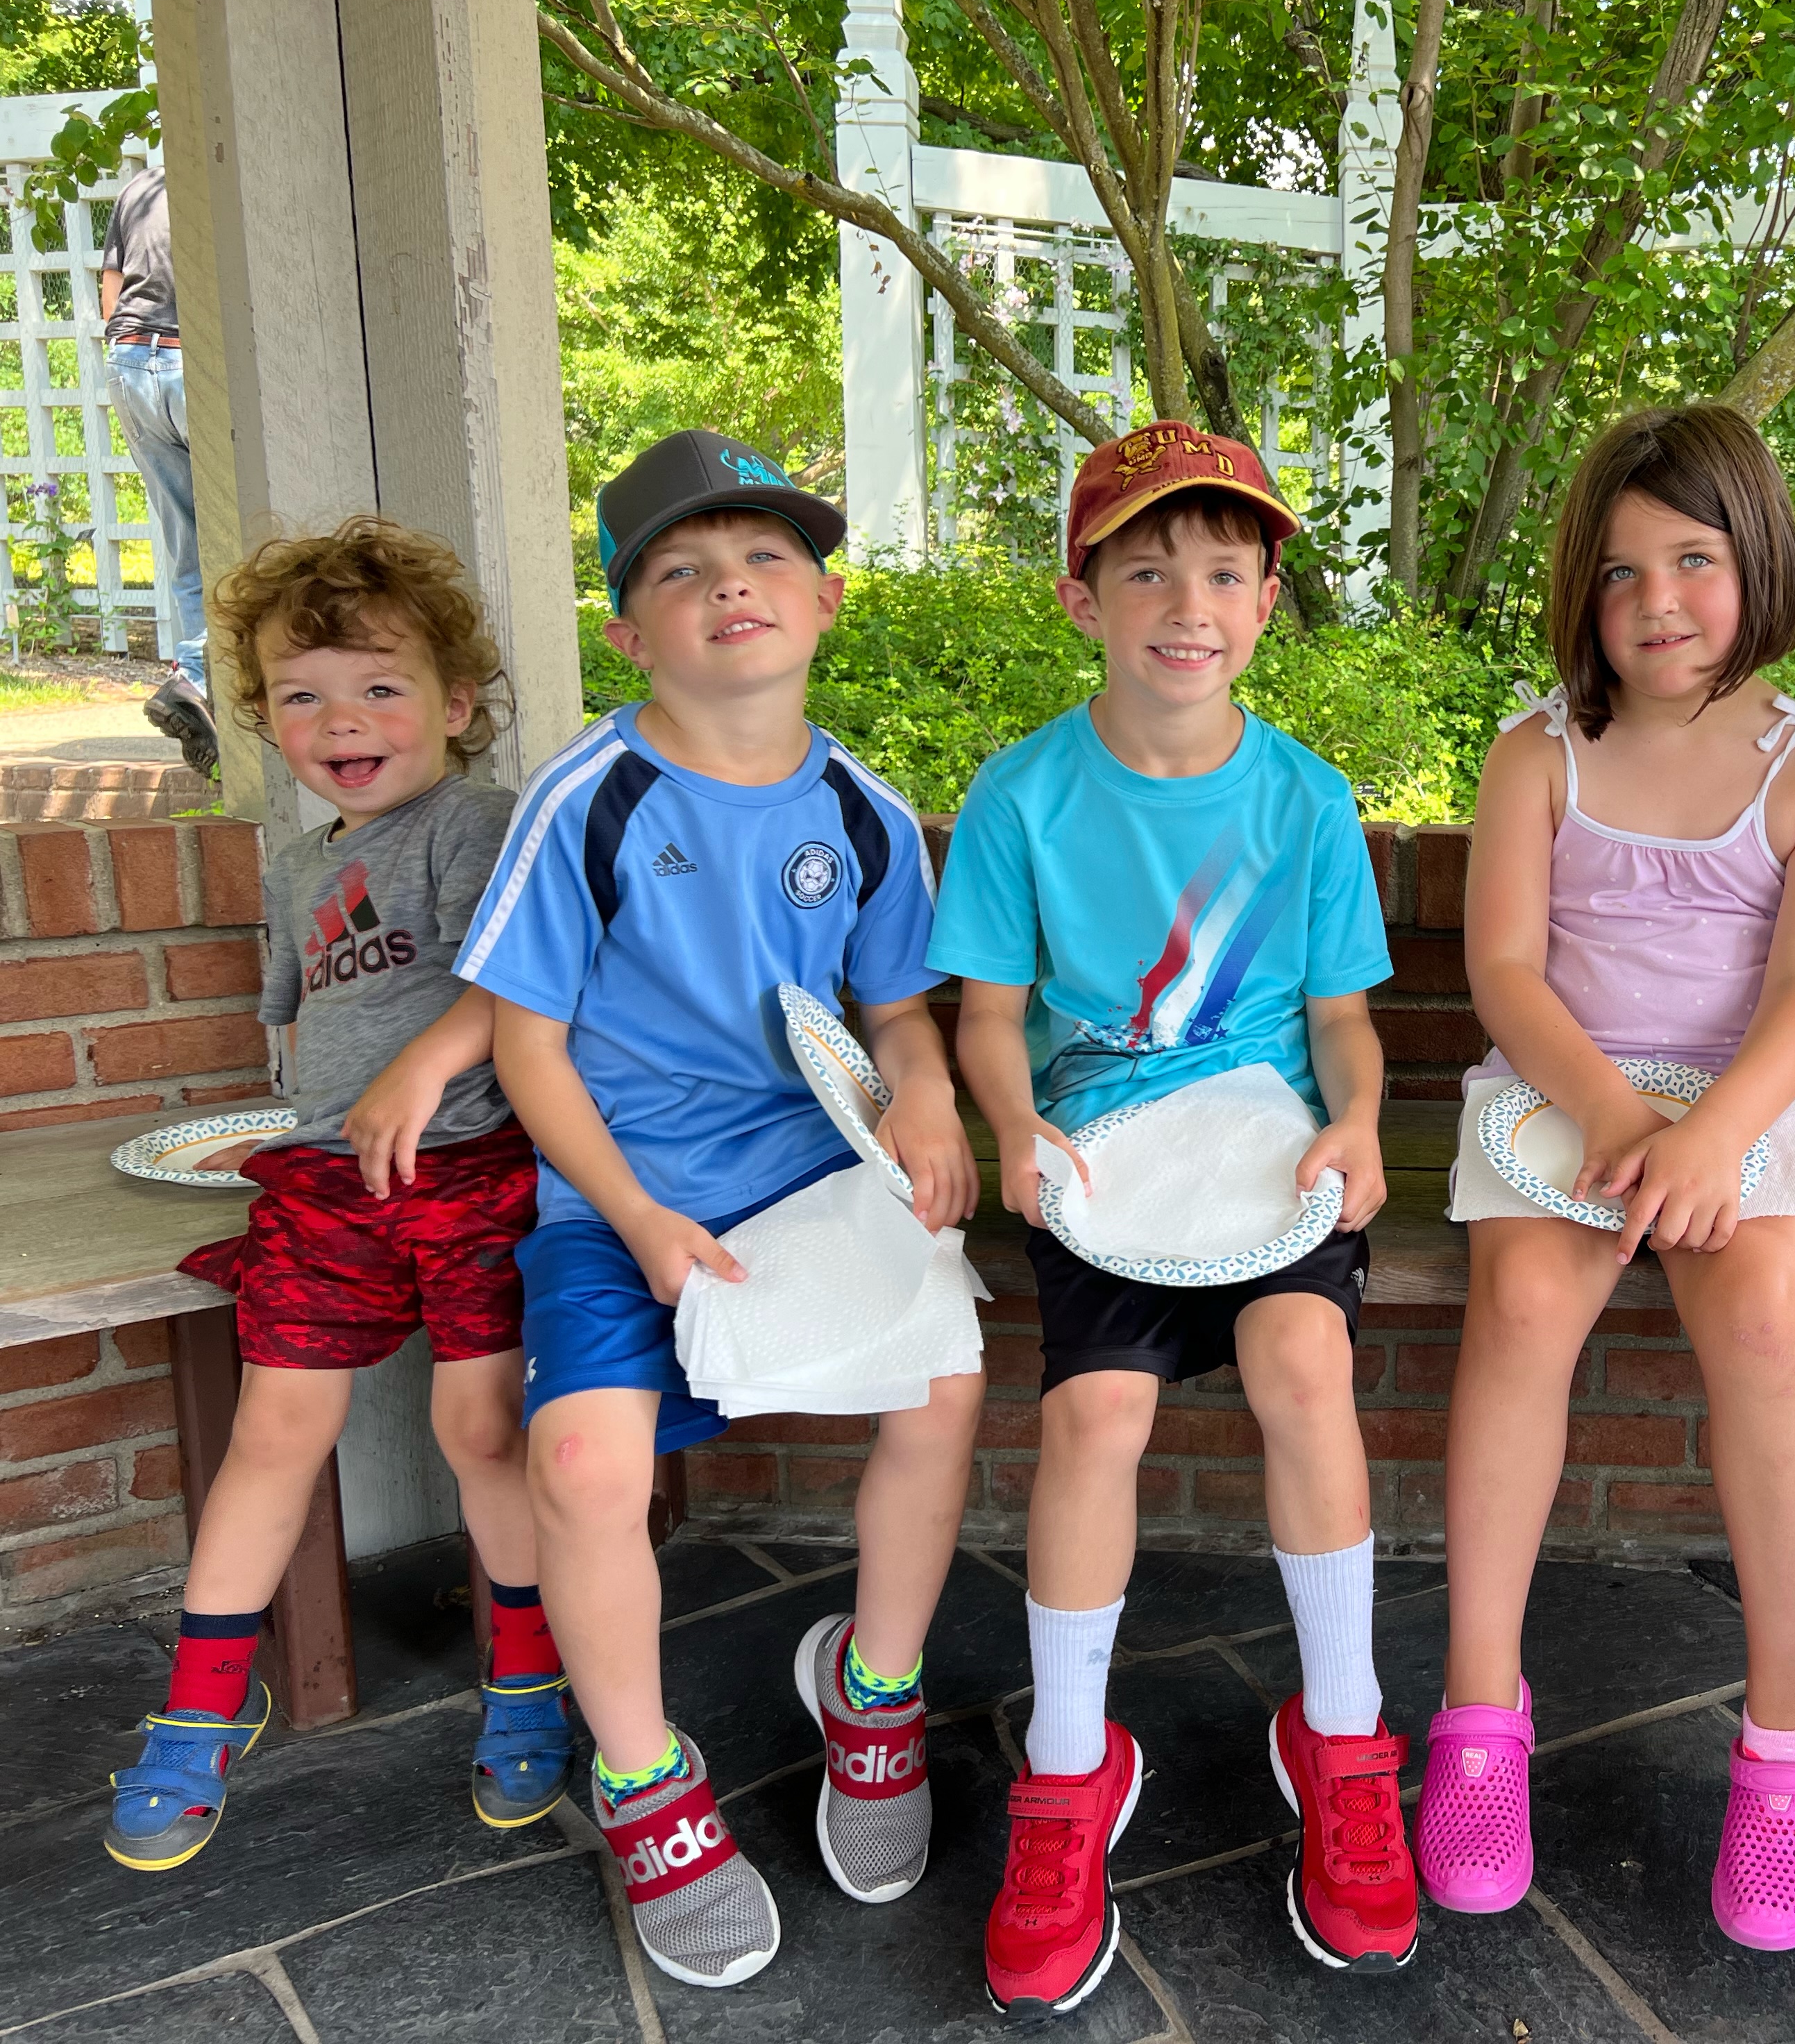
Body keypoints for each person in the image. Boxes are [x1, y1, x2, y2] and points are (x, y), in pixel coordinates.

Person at [457, 431, 983, 1988]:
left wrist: (928, 1095)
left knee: (948, 1387)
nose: (728, 586)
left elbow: (896, 1014)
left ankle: (874, 1693)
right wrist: (630, 1216)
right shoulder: (589, 797)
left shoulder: (865, 809)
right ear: (633, 634)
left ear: (825, 601)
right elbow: (526, 1043)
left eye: (763, 557)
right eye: (680, 570)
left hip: (812, 1180)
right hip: (620, 1198)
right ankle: (641, 1775)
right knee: (581, 1459)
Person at [930, 419, 1412, 2018]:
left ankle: (1340, 1736)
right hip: (1104, 1169)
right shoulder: (1023, 797)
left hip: (1270, 1159)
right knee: (1095, 1419)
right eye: (1145, 572)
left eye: (1221, 572)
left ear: (1267, 602)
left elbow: (1341, 1019)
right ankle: (1072, 1767)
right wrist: (1015, 1124)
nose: (1186, 605)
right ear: (1084, 601)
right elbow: (985, 1014)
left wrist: (1357, 1119)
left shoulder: (1305, 800)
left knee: (1303, 1367)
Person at [1417, 404, 1795, 1950]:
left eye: (1693, 560)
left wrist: (1707, 1136)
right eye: (1619, 572)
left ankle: (1789, 1732)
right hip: (1565, 1086)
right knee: (1520, 1310)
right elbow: (1503, 965)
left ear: (1761, 560)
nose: (1656, 600)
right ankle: (1480, 1709)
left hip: (1750, 1097)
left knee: (1764, 1324)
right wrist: (1613, 1113)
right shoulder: (1538, 751)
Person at [106, 518, 562, 1868]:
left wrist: (426, 1064)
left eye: (377, 685)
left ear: (456, 704)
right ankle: (204, 1703)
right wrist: (292, 1123)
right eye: (301, 695)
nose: (340, 719)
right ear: (267, 719)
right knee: (275, 1426)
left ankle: (529, 1675)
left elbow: (523, 979)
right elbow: (305, 1031)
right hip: (332, 1188)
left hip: (474, 1172)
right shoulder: (301, 865)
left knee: (481, 1427)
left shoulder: (478, 825)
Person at [95, 166, 214, 773]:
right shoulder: (214, 180)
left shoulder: (137, 189)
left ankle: (199, 681)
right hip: (188, 356)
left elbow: (111, 290)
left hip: (129, 360)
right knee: (233, 527)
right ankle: (202, 679)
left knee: (185, 538)